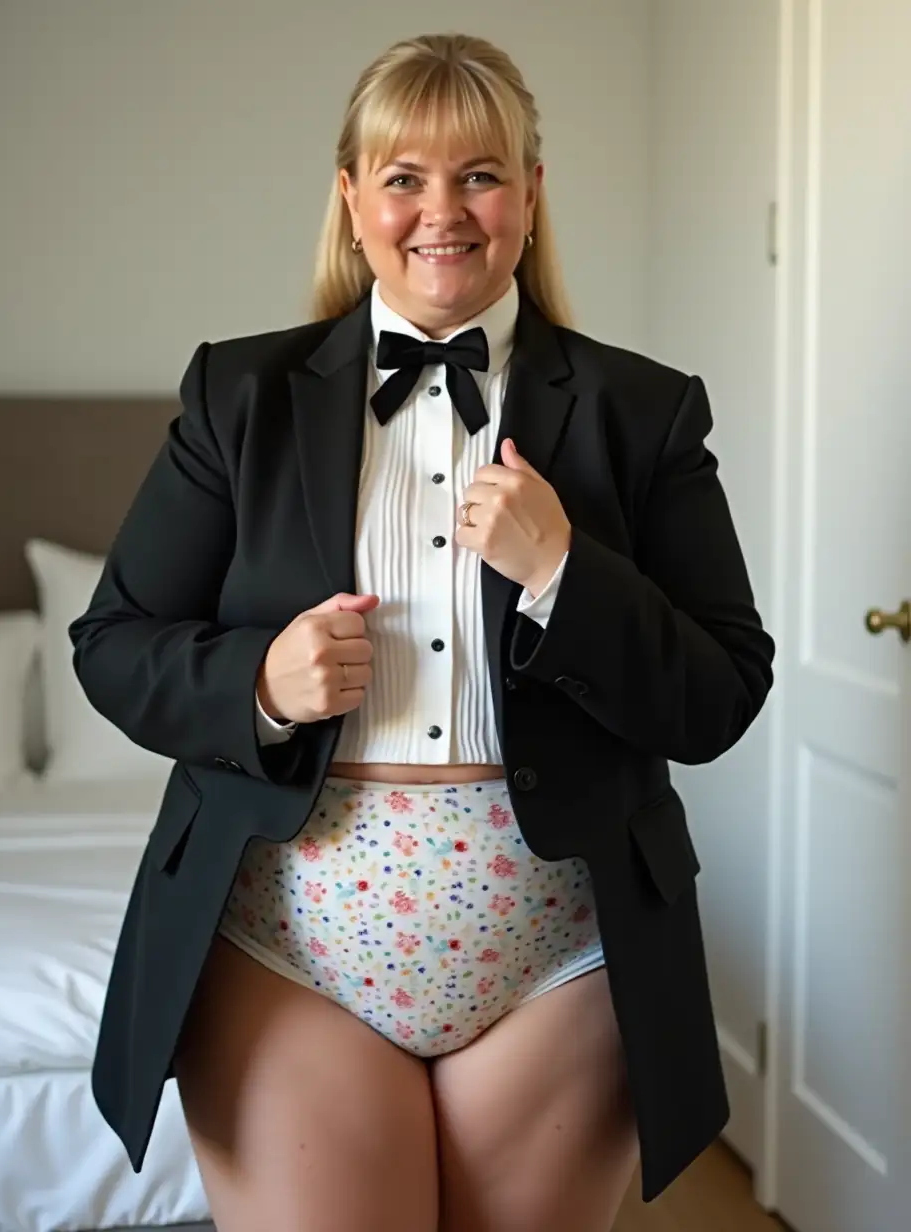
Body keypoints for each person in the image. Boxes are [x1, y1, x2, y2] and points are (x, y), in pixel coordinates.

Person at [69, 30, 774, 1232]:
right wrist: (262, 680)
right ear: (352, 199)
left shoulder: (643, 410)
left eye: (480, 174)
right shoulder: (237, 398)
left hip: (565, 953)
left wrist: (565, 570)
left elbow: (720, 694)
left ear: (531, 196)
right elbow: (114, 639)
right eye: (403, 176)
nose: (441, 211)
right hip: (283, 950)